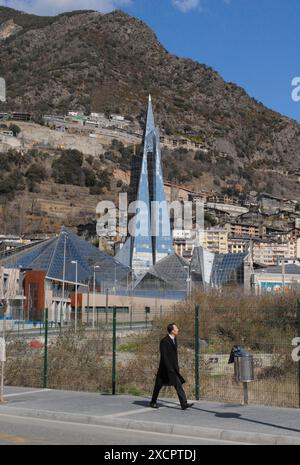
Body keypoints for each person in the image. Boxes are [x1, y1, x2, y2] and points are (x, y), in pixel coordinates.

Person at [150, 323, 194, 410]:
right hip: (165, 369)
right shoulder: (164, 341)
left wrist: (175, 367)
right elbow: (164, 356)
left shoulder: (174, 339)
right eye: (176, 328)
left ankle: (183, 403)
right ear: (172, 331)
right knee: (158, 385)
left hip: (173, 369)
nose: (178, 330)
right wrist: (169, 368)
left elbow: (174, 355)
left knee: (178, 384)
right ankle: (153, 402)